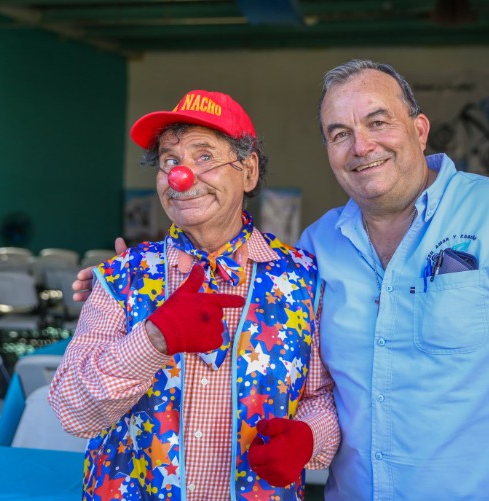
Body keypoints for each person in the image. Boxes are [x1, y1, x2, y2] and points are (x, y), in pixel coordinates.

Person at [74, 61, 489, 500]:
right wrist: (137, 295)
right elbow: (325, 390)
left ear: (419, 130)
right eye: (339, 133)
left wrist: (306, 438)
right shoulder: (317, 249)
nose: (361, 145)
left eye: (377, 122)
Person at [49, 89, 338, 501]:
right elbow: (72, 410)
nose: (181, 176)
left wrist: (309, 437)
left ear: (249, 171)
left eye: (205, 156)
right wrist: (153, 340)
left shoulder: (305, 280)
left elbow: (322, 397)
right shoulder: (122, 275)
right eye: (170, 161)